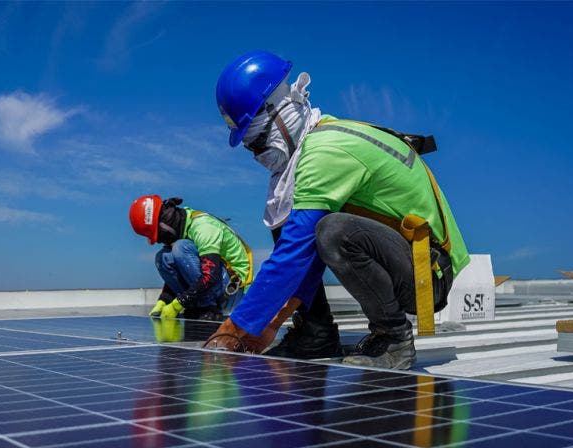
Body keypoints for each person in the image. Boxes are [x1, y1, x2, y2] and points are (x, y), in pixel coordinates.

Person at [204, 51, 470, 370]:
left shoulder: (325, 151)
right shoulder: (319, 141)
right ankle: (315, 334)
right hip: (410, 261)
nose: (258, 155)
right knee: (294, 221)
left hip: (431, 274)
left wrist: (233, 331)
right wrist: (271, 323)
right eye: (251, 149)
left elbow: (296, 254)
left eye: (258, 143)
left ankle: (393, 338)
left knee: (332, 231)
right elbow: (303, 255)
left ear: (280, 116)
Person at [129, 195, 253, 322]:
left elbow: (211, 274)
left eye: (158, 236)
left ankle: (207, 307)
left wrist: (179, 304)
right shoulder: (184, 227)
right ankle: (201, 306)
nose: (158, 241)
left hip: (233, 293)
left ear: (164, 225)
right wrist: (164, 300)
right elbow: (182, 271)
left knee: (180, 248)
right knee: (163, 257)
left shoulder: (203, 228)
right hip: (212, 288)